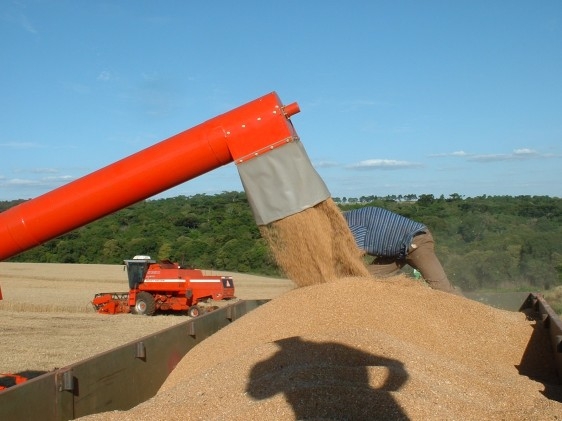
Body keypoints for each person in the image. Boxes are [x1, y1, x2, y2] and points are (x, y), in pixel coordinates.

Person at [343, 206, 461, 295]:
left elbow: (352, 257)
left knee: (442, 289)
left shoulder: (351, 224)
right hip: (394, 253)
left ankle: (468, 315)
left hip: (416, 242)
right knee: (363, 279)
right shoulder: (351, 219)